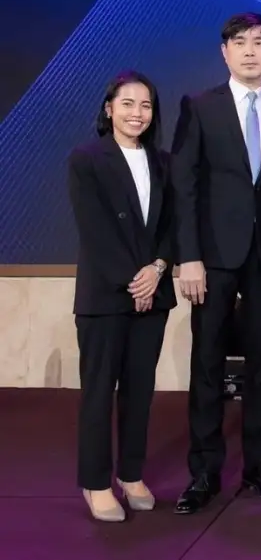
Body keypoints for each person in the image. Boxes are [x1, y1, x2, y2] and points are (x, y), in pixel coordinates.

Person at [170, 13, 261, 514]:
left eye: (259, 42)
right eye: (239, 42)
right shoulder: (200, 106)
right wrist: (188, 256)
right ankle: (204, 472)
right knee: (207, 362)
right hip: (212, 257)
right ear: (224, 52)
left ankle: (259, 467)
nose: (250, 51)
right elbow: (183, 186)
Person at [68, 70, 176, 522]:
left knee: (139, 392)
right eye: (128, 104)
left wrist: (157, 269)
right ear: (109, 108)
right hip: (106, 296)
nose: (137, 113)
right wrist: (134, 282)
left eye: (146, 105)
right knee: (99, 392)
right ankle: (96, 483)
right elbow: (95, 231)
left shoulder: (164, 162)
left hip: (154, 292)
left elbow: (173, 226)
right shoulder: (86, 159)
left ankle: (131, 475)